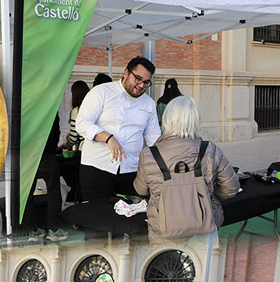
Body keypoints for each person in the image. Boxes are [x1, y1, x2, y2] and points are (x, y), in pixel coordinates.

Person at [134, 97, 240, 242]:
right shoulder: (210, 149)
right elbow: (231, 188)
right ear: (195, 120)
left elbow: (141, 190)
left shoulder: (149, 154)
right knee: (205, 264)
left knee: (166, 264)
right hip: (204, 225)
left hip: (163, 230)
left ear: (167, 119)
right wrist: (207, 195)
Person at [76, 56, 160, 203]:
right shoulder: (101, 92)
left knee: (130, 219)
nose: (141, 85)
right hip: (97, 168)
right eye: (138, 79)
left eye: (146, 82)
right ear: (126, 72)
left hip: (132, 170)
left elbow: (154, 138)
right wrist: (108, 138)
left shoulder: (149, 104)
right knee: (98, 218)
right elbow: (82, 123)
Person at [23, 114, 67, 243]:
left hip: (27, 154)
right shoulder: (50, 106)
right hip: (46, 154)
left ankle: (32, 231)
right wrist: (52, 148)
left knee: (27, 194)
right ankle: (54, 229)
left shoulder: (25, 105)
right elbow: (55, 132)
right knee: (53, 191)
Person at [66, 81, 90, 150]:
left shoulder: (76, 111)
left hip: (85, 148)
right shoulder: (93, 106)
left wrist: (65, 147)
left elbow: (73, 138)